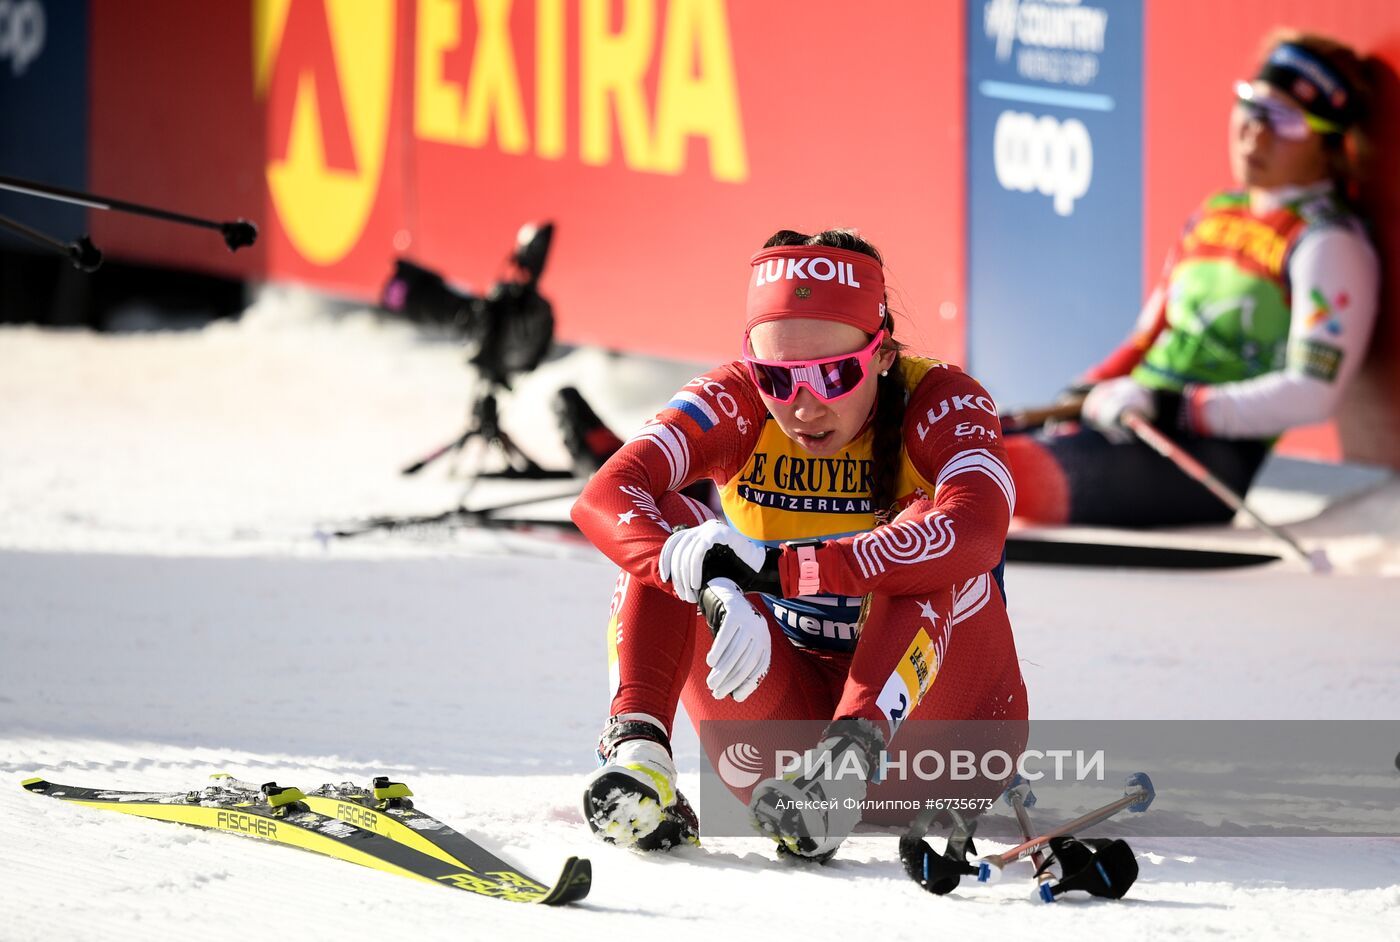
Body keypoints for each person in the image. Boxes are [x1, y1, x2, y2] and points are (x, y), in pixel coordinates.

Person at [569, 229, 1027, 862]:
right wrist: (712, 583)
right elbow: (604, 494)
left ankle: (846, 765)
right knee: (675, 533)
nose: (803, 406)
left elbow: (977, 530)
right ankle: (638, 755)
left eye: (833, 375)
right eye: (776, 378)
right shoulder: (734, 401)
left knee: (925, 528)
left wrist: (790, 571)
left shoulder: (942, 399)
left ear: (883, 353)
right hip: (784, 758)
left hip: (941, 748)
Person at [1005, 30, 1380, 527]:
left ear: (1329, 146)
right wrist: (1084, 390)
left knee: (995, 478)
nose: (1255, 132)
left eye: (1285, 121)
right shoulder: (1215, 213)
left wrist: (1174, 407)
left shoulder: (1330, 243)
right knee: (959, 447)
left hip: (1209, 457)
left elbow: (1312, 393)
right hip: (1134, 419)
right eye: (1251, 106)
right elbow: (1147, 336)